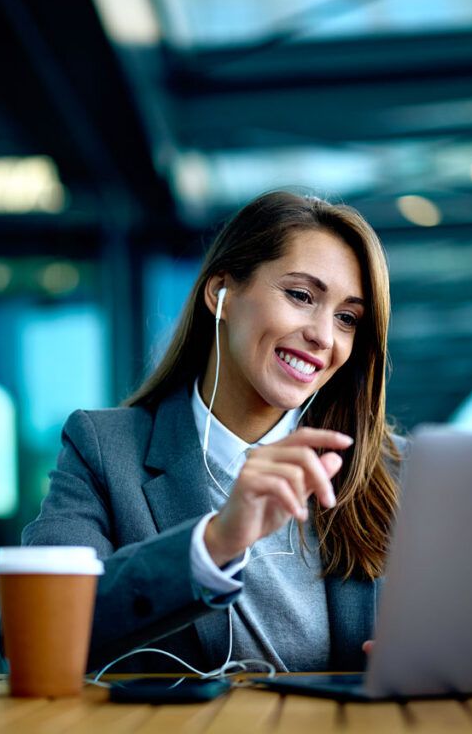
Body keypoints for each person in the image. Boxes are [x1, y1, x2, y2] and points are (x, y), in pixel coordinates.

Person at [22, 190, 403, 673]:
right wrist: (216, 543)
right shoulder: (104, 449)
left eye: (347, 318)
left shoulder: (394, 471)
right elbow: (35, 631)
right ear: (219, 293)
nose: (324, 336)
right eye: (301, 296)